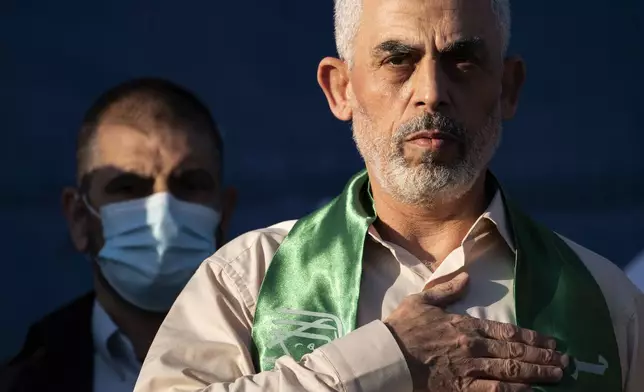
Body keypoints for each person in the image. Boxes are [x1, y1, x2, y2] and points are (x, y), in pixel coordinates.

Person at [135, 1, 644, 391]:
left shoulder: (606, 301)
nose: (431, 91)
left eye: (462, 59)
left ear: (508, 88)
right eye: (398, 60)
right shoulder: (247, 280)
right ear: (341, 89)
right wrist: (386, 359)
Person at [1, 78, 236, 392]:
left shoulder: (286, 362)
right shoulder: (24, 381)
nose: (161, 213)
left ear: (224, 213)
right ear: (79, 218)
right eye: (128, 188)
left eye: (189, 184)